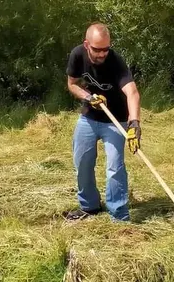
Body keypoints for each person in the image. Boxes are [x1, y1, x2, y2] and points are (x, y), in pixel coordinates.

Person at [64, 22, 142, 221]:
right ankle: (89, 206)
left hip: (116, 120)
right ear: (86, 44)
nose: (102, 54)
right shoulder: (77, 55)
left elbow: (132, 93)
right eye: (97, 50)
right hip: (89, 117)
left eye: (106, 49)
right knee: (82, 162)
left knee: (115, 167)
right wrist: (89, 98)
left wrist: (134, 123)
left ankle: (119, 215)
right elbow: (72, 84)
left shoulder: (116, 61)